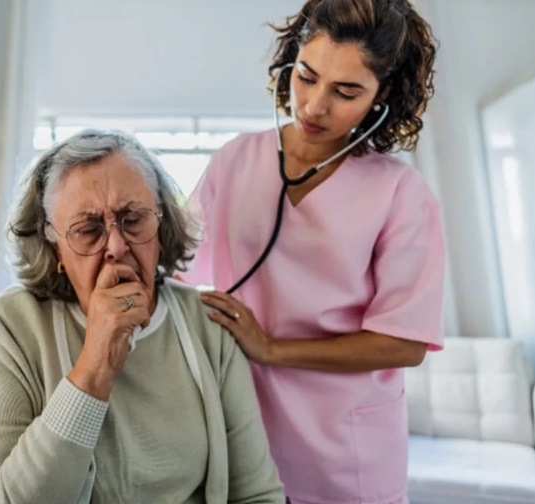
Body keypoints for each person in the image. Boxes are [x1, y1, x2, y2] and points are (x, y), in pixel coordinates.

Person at [181, 1, 445, 503]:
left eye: (346, 92)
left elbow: (404, 343)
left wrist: (271, 348)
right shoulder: (235, 161)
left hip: (348, 451)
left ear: (383, 94)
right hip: (246, 432)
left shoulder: (400, 193)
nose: (314, 106)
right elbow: (178, 272)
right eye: (307, 76)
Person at [0, 129, 284, 503]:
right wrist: (93, 369)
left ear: (161, 226)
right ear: (54, 246)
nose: (116, 247)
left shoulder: (208, 324)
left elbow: (256, 494)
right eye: (88, 229)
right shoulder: (5, 329)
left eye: (133, 220)